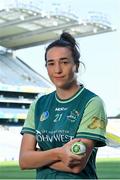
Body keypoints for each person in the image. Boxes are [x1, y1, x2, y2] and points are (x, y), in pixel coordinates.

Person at [19, 32, 108, 179]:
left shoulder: (92, 103)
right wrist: (59, 154)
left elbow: (76, 166)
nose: (57, 70)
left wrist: (38, 157)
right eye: (51, 63)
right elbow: (24, 160)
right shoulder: (39, 104)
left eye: (64, 62)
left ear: (77, 66)